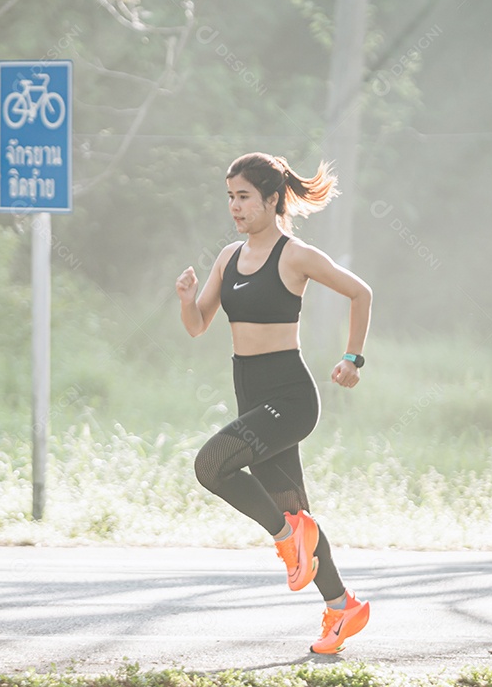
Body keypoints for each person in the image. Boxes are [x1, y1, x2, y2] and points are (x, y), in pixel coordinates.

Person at [175, 152, 373, 655]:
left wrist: (353, 358)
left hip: (290, 398)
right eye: (230, 197)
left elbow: (360, 293)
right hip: (252, 397)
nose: (235, 207)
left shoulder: (294, 255)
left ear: (271, 199)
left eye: (244, 197)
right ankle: (342, 606)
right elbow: (198, 326)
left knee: (210, 465)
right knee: (295, 510)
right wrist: (187, 299)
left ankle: (286, 539)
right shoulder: (228, 258)